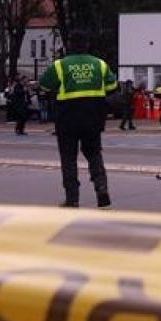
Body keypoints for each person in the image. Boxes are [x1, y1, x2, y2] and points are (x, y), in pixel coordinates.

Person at [38, 33, 118, 209]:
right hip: (93, 118)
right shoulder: (100, 64)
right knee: (94, 154)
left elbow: (43, 85)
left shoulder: (60, 65)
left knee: (69, 158)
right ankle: (102, 190)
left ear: (69, 46)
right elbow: (112, 87)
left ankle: (72, 198)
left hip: (68, 118)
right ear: (87, 45)